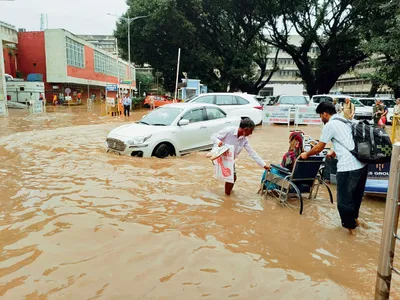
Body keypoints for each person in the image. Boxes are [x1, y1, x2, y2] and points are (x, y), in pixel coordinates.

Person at [299, 102, 367, 234]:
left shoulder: (330, 124)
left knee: (343, 201)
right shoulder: (346, 121)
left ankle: (350, 232)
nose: (321, 119)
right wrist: (334, 150)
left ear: (325, 114)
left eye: (320, 116)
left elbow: (319, 147)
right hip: (362, 165)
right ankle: (356, 221)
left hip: (348, 167)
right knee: (355, 197)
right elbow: (346, 140)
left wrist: (306, 154)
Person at [211, 118, 270, 196]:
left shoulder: (244, 139)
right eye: (251, 131)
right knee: (231, 178)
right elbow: (213, 136)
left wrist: (264, 165)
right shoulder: (229, 131)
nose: (251, 133)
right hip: (219, 156)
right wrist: (218, 142)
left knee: (232, 178)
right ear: (245, 129)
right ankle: (227, 196)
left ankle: (227, 194)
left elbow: (252, 153)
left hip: (230, 159)